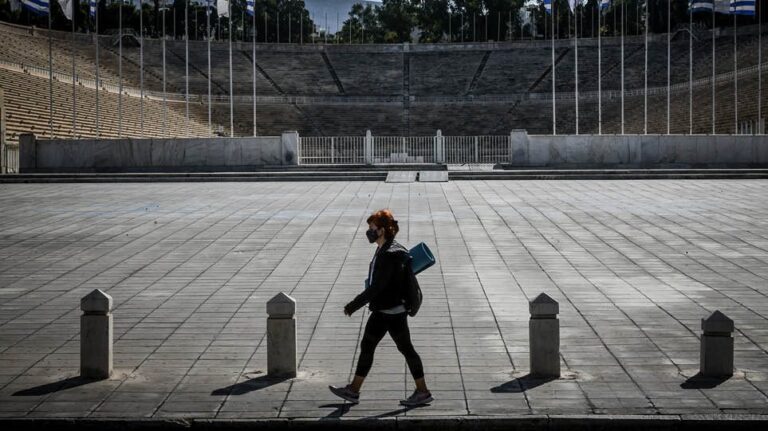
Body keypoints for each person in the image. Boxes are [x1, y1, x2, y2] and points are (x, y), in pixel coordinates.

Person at [329, 209, 433, 407]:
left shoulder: (388, 255)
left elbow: (377, 287)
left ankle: (422, 391)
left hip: (390, 311)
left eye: (372, 228)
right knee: (372, 347)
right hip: (387, 309)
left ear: (382, 230)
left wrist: (353, 305)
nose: (369, 231)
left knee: (404, 350)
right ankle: (354, 390)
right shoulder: (387, 248)